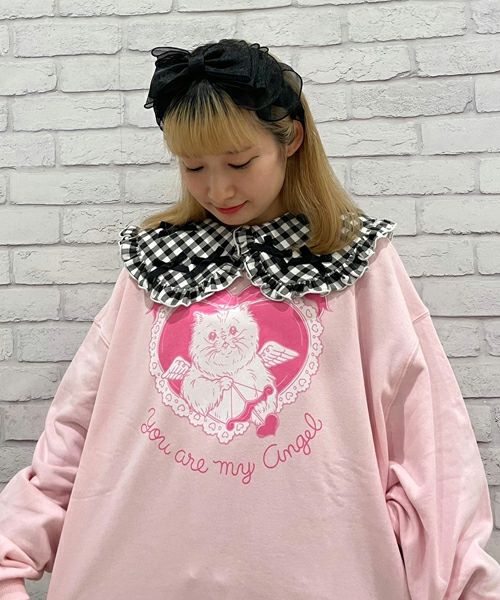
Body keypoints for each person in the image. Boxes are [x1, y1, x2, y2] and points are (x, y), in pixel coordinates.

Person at [0, 38, 499, 600]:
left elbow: (430, 446)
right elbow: (75, 429)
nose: (218, 189)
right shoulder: (156, 263)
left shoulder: (356, 262)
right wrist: (10, 555)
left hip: (320, 575)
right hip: (133, 574)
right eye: (193, 167)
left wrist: (464, 586)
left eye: (239, 163)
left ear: (291, 140)